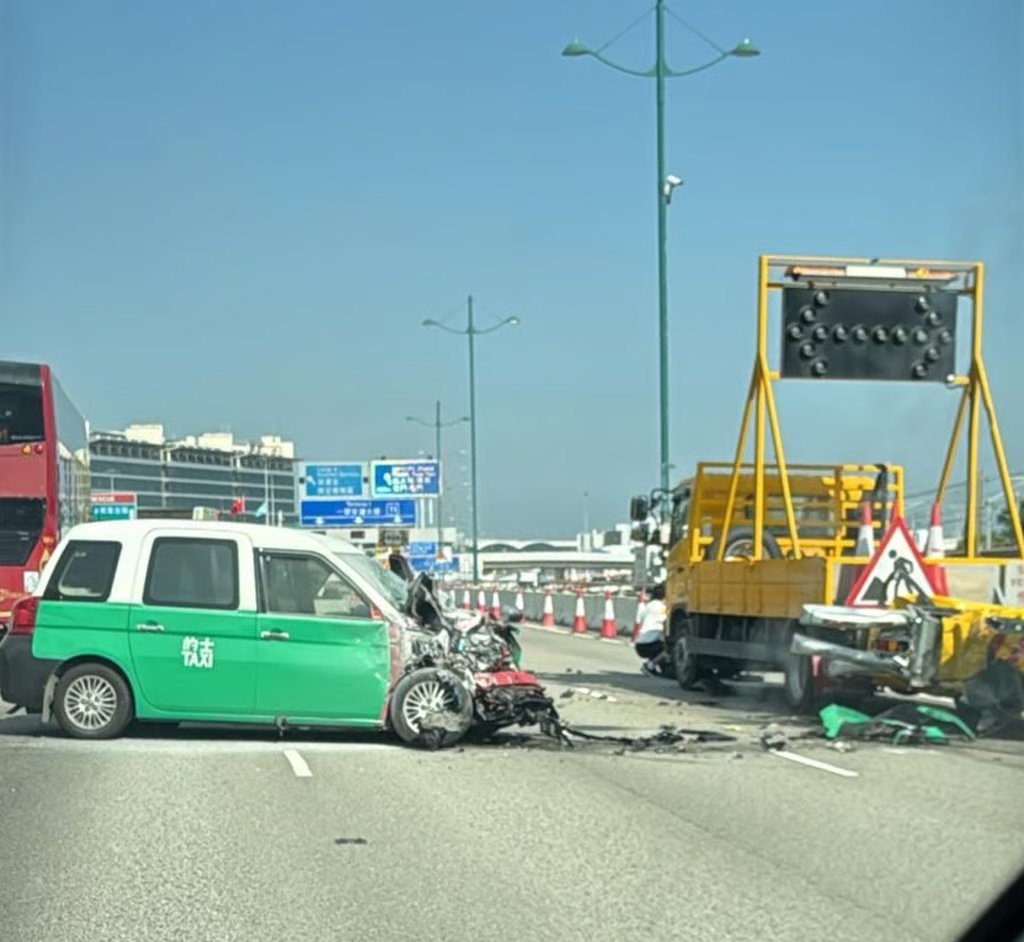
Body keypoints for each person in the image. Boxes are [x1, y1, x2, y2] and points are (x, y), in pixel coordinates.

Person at [633, 583, 671, 678]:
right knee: (669, 649)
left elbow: (641, 617)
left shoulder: (649, 605)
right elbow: (666, 622)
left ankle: (656, 666)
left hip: (639, 643)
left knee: (660, 643)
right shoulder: (663, 608)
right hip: (649, 644)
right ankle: (650, 665)